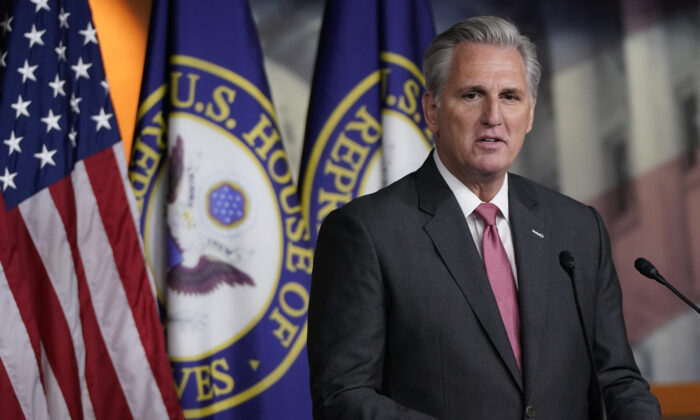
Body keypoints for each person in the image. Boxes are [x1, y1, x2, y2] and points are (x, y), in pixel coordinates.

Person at [307, 16, 661, 420]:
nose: (493, 116)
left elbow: (616, 379)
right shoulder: (366, 232)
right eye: (472, 95)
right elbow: (344, 396)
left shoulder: (578, 229)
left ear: (529, 114)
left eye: (510, 96)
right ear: (433, 110)